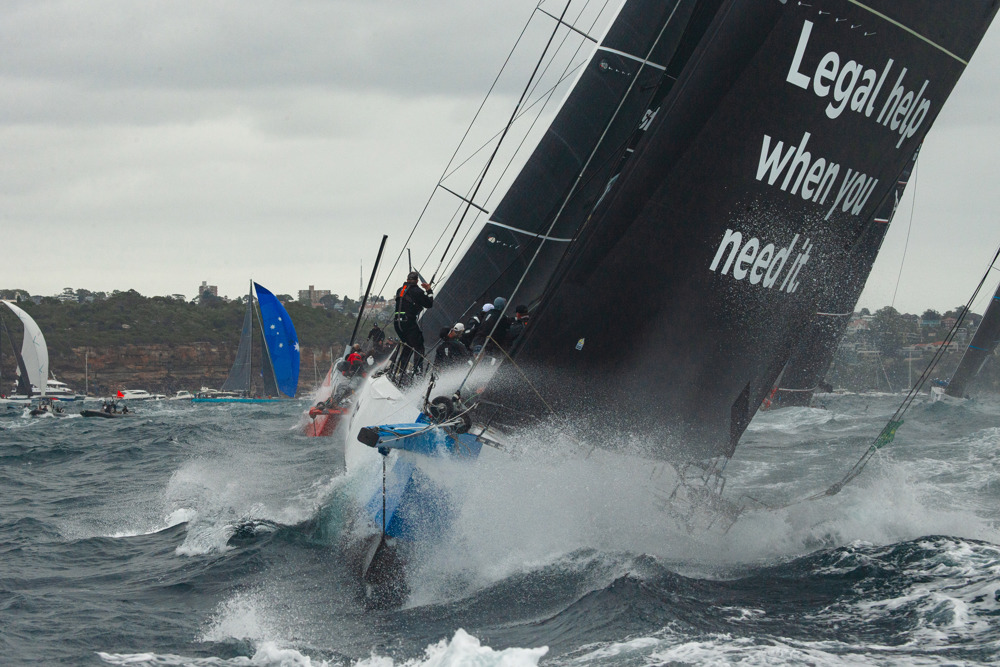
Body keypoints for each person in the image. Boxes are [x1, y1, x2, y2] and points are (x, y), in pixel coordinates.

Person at [392, 271, 434, 378]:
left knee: (408, 345)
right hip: (408, 323)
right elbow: (429, 304)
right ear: (417, 281)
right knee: (419, 346)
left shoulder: (399, 290)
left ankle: (399, 372)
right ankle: (418, 374)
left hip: (397, 324)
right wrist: (428, 290)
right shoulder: (417, 291)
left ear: (407, 280)